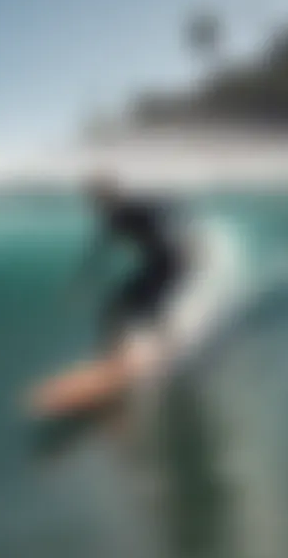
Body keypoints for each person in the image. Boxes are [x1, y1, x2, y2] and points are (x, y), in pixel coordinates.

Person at [30, 171, 191, 417]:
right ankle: (115, 364)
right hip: (158, 264)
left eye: (100, 199)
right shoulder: (113, 219)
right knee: (116, 310)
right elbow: (98, 253)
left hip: (172, 262)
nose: (97, 205)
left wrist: (181, 228)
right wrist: (81, 281)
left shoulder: (134, 207)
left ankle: (167, 354)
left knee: (144, 308)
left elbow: (167, 205)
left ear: (113, 195)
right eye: (94, 201)